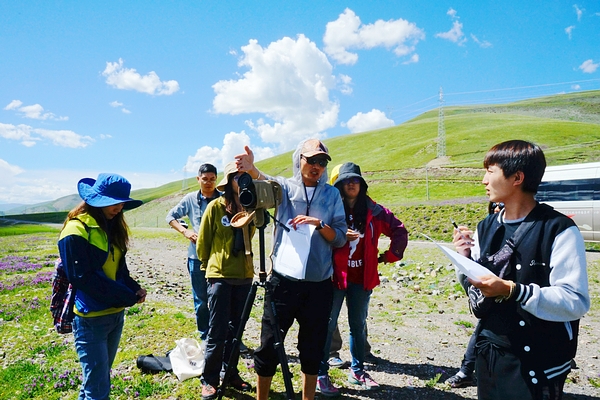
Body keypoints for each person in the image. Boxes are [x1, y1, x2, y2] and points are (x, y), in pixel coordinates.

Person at [452, 140, 589, 400]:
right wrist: (465, 257)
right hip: (490, 354)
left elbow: (576, 301)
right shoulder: (486, 227)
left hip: (539, 361)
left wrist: (514, 291)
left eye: (490, 171)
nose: (484, 180)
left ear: (517, 177)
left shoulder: (560, 230)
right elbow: (479, 293)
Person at [235, 139, 347, 400]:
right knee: (269, 345)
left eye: (322, 162)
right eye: (311, 160)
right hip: (283, 282)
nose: (317, 166)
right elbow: (266, 181)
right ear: (299, 160)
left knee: (313, 347)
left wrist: (319, 224)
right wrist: (251, 169)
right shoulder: (286, 188)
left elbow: (340, 236)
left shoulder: (332, 195)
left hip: (319, 285)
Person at [316, 162, 408, 396]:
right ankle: (320, 374)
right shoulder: (330, 208)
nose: (351, 183)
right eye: (346, 180)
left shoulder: (375, 211)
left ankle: (358, 371)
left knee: (358, 326)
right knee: (326, 326)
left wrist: (390, 256)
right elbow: (315, 230)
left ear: (362, 183)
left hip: (362, 279)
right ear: (339, 185)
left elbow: (399, 229)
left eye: (355, 179)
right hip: (333, 278)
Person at [57, 173, 147, 400]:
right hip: (91, 319)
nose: (119, 207)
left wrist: (133, 288)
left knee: (96, 380)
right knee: (98, 389)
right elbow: (83, 279)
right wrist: (126, 297)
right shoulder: (75, 231)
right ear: (97, 200)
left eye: (121, 202)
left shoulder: (113, 227)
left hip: (115, 316)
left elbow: (120, 271)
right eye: (113, 202)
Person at [196, 161, 255, 400]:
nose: (242, 181)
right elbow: (203, 242)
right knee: (217, 330)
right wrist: (208, 270)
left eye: (245, 177)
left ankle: (231, 374)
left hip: (244, 276)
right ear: (229, 180)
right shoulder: (215, 207)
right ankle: (209, 380)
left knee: (236, 331)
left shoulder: (253, 207)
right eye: (237, 177)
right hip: (220, 275)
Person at [446, 201, 505, 389]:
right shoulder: (487, 227)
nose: (496, 208)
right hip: (483, 287)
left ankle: (466, 371)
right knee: (484, 323)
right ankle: (466, 371)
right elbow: (472, 267)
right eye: (494, 205)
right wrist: (465, 252)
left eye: (501, 205)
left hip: (504, 292)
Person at [166, 163, 221, 342]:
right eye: (205, 179)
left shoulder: (223, 199)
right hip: (196, 258)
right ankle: (205, 335)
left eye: (212, 179)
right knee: (201, 300)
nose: (208, 182)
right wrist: (185, 231)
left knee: (222, 299)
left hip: (220, 259)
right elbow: (170, 217)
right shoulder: (190, 199)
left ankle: (223, 334)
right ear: (198, 179)